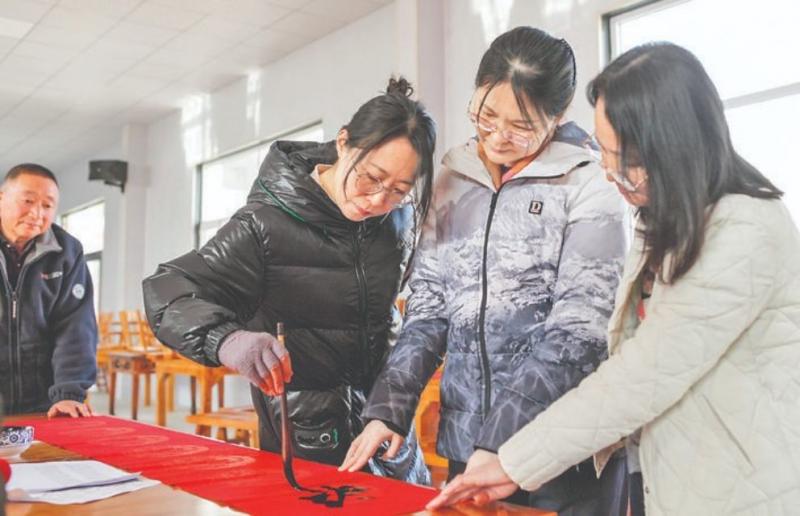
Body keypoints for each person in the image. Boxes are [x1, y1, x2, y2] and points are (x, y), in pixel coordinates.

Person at [427, 42, 800, 515]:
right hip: (671, 474)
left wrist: (512, 460)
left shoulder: (744, 229)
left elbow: (641, 375)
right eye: (603, 152)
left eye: (618, 156)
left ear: (671, 148)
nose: (606, 171)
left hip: (740, 488)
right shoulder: (662, 222)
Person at [341, 27, 628, 513]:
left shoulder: (589, 183)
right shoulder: (453, 178)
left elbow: (580, 330)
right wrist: (388, 410)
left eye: (520, 125)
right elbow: (429, 306)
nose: (496, 137)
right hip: (467, 441)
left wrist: (502, 443)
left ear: (558, 117)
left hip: (558, 448)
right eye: (485, 115)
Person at [142, 78, 435, 483]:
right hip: (308, 438)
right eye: (370, 177)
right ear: (343, 142)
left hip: (387, 432)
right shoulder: (264, 224)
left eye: (398, 190)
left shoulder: (396, 221)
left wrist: (392, 408)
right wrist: (228, 340)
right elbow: (166, 290)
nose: (375, 201)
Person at [0, 164, 97, 417]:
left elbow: (75, 327)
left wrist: (68, 393)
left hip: (43, 403)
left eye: (47, 205)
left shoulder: (67, 252)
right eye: (28, 201)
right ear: (2, 197)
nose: (36, 213)